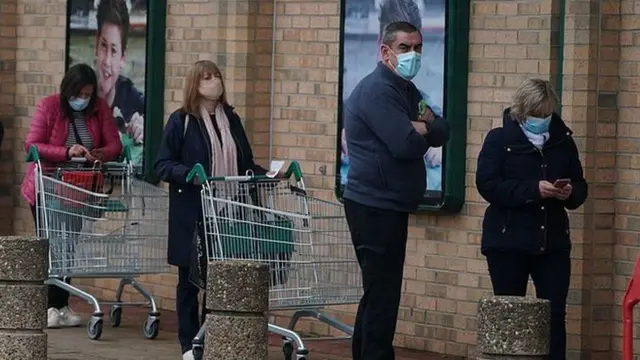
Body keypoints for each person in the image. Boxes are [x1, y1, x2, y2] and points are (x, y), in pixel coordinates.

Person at [343, 21, 450, 360]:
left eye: (418, 48)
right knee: (383, 295)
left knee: (378, 292)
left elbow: (442, 130)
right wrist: (420, 128)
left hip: (391, 204)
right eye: (405, 48)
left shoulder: (407, 90)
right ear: (385, 51)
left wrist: (421, 125)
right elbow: (404, 144)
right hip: (373, 205)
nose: (413, 55)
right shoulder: (378, 90)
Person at [154, 60, 269, 360]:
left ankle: (212, 337)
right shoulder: (182, 121)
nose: (214, 81)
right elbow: (162, 164)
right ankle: (189, 343)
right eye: (207, 77)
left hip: (228, 213)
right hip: (193, 214)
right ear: (195, 83)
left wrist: (267, 175)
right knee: (190, 281)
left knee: (219, 279)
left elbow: (245, 163)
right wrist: (187, 173)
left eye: (217, 75)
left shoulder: (231, 119)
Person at [475, 78, 588, 360]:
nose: (542, 120)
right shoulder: (500, 140)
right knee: (510, 312)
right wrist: (533, 190)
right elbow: (487, 185)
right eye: (537, 115)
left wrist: (570, 192)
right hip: (508, 239)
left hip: (551, 241)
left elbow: (580, 185)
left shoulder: (563, 141)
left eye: (547, 114)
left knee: (554, 313)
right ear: (522, 112)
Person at [20, 63, 122, 329]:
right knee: (54, 244)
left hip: (79, 187)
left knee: (69, 246)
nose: (83, 100)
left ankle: (62, 305)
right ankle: (51, 305)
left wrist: (99, 153)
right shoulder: (50, 106)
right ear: (68, 91)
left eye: (88, 95)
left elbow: (115, 144)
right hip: (48, 185)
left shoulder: (99, 109)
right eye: (79, 94)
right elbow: (32, 144)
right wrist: (67, 152)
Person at [95, 0, 145, 165]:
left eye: (114, 51)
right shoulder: (81, 91)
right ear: (96, 46)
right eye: (103, 46)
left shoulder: (133, 99)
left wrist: (145, 131)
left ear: (123, 58)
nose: (107, 61)